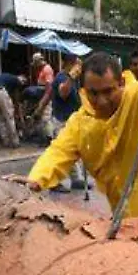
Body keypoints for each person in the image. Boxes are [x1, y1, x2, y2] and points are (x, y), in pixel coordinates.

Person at [27, 0, 138, 268]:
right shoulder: (80, 122)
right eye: (94, 94)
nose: (102, 100)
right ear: (84, 90)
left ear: (121, 82)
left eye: (109, 91)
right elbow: (57, 153)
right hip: (126, 227)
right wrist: (34, 181)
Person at [35, 54, 87, 191]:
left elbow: (49, 94)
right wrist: (72, 76)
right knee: (62, 153)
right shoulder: (63, 77)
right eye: (76, 63)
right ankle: (53, 182)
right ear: (70, 63)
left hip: (71, 120)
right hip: (62, 120)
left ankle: (76, 180)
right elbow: (63, 92)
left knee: (74, 151)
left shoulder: (72, 78)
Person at [0, 71, 23, 148]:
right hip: (1, 92)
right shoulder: (16, 80)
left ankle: (6, 141)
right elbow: (16, 98)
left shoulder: (8, 77)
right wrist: (17, 109)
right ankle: (15, 142)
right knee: (9, 117)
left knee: (0, 119)